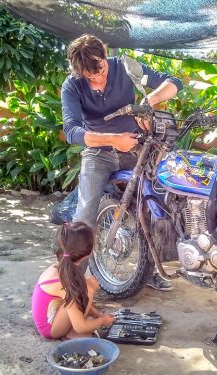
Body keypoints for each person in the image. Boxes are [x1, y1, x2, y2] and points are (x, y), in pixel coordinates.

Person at [61, 34, 183, 291]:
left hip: (137, 149)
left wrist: (149, 102)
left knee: (151, 207)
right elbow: (72, 131)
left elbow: (174, 82)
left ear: (105, 54)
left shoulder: (126, 67)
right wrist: (113, 139)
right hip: (99, 153)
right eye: (89, 75)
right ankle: (73, 284)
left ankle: (150, 272)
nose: (97, 78)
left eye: (100, 70)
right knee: (85, 216)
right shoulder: (72, 86)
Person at [31, 222, 115, 339]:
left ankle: (70, 327)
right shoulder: (66, 284)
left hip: (54, 318)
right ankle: (69, 332)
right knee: (89, 286)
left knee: (87, 284)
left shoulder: (64, 267)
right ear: (87, 251)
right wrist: (102, 321)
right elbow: (80, 327)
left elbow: (76, 301)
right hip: (51, 329)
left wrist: (97, 314)